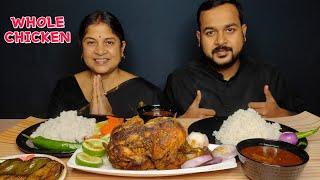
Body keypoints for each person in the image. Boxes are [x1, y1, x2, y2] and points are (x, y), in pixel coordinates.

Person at [165, 0, 306, 118]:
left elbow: (305, 122)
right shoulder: (179, 81)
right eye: (210, 32)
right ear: (199, 38)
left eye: (230, 29)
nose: (220, 41)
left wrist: (282, 114)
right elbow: (155, 133)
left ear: (243, 33)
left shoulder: (270, 76)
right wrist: (181, 123)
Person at [48, 10, 165, 118]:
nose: (100, 51)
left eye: (109, 42)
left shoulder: (148, 94)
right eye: (91, 42)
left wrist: (108, 120)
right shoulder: (65, 88)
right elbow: (49, 137)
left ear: (122, 47)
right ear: (82, 47)